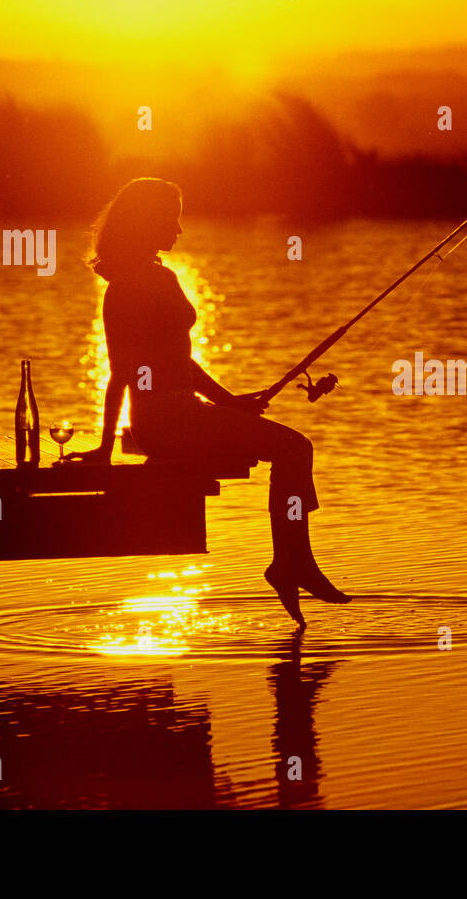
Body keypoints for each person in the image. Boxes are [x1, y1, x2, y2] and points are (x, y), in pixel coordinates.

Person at [67, 177, 348, 626]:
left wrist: (229, 401)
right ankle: (293, 563)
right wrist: (104, 447)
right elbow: (121, 372)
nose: (178, 230)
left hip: (187, 411)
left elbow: (182, 359)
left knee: (294, 450)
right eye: (171, 219)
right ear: (147, 222)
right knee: (294, 448)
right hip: (163, 419)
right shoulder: (124, 289)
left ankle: (291, 562)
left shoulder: (163, 276)